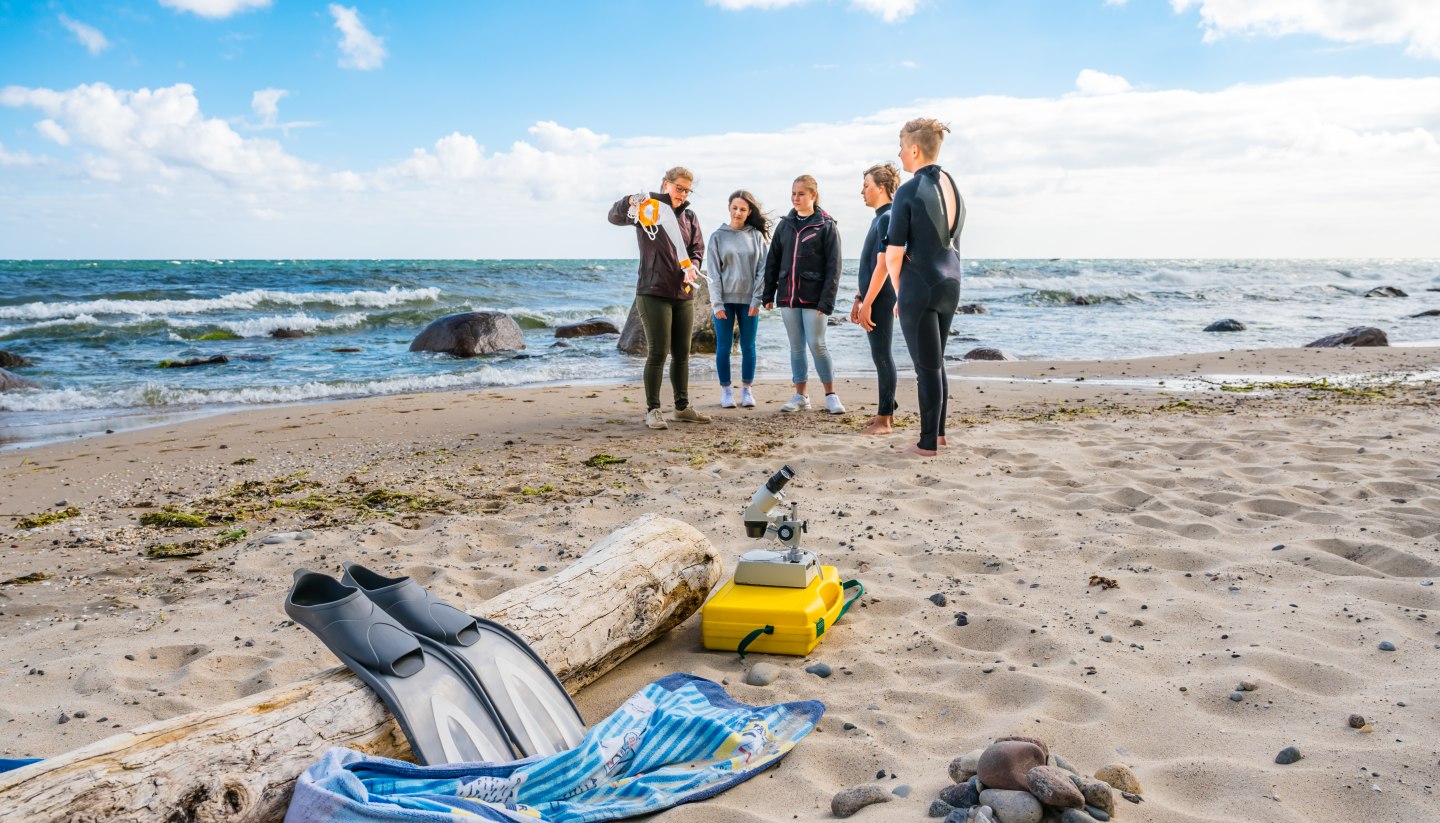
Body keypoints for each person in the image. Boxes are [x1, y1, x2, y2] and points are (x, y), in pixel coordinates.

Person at [608, 167, 711, 430]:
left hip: (683, 293)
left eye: (687, 190)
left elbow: (697, 248)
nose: (683, 194)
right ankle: (653, 410)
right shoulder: (648, 208)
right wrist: (629, 200)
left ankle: (682, 407)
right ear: (666, 184)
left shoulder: (689, 216)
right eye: (679, 188)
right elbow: (614, 216)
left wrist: (693, 266)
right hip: (652, 291)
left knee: (682, 354)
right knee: (657, 353)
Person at [884, 118, 964, 456]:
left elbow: (893, 254)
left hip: (922, 283)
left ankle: (926, 443)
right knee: (937, 362)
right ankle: (940, 434)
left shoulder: (908, 190)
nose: (899, 153)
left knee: (926, 368)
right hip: (951, 281)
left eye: (901, 146)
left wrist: (900, 291)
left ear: (915, 149)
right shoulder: (951, 184)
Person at [761, 175, 844, 414]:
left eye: (801, 194)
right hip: (788, 295)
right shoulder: (785, 224)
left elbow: (834, 267)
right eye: (793, 193)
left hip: (814, 298)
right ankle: (801, 396)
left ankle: (831, 395)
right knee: (796, 347)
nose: (796, 198)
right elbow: (773, 260)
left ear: (813, 196)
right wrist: (768, 293)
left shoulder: (826, 225)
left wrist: (826, 301)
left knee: (817, 344)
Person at [707, 191, 770, 409]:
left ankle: (746, 390)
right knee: (723, 347)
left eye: (743, 209)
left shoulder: (756, 237)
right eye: (735, 208)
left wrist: (756, 300)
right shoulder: (717, 236)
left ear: (749, 211)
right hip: (724, 301)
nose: (738, 212)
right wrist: (716, 303)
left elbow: (763, 270)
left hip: (749, 302)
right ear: (729, 208)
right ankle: (726, 391)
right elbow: (713, 273)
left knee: (748, 346)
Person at [852, 162, 901, 435]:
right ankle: (885, 413)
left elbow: (883, 267)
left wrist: (869, 303)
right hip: (872, 296)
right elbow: (870, 264)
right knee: (879, 353)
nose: (862, 192)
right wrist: (859, 298)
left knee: (882, 354)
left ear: (881, 187)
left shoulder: (888, 217)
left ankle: (885, 419)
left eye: (867, 186)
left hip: (882, 297)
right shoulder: (879, 217)